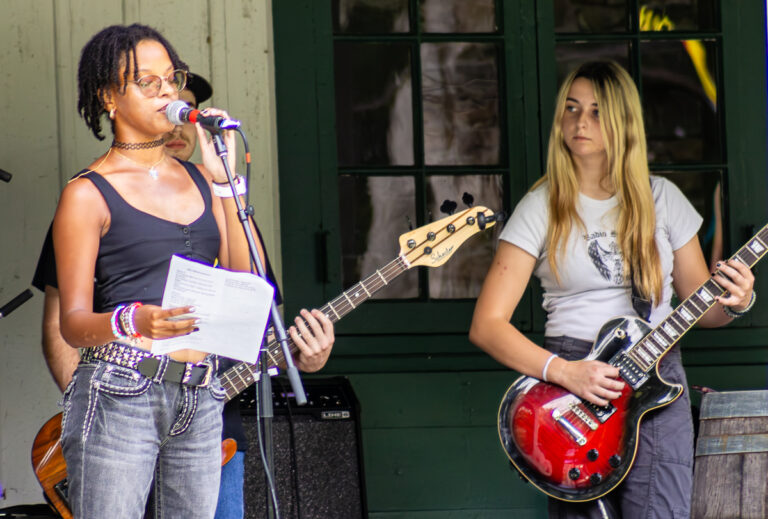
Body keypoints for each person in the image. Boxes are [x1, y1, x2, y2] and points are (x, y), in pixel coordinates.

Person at [49, 23, 334, 519]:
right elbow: (72, 324)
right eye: (147, 82)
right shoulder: (86, 193)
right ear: (109, 98)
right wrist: (133, 320)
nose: (166, 93)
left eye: (171, 79)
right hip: (121, 389)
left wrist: (226, 183)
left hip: (202, 395)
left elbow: (248, 284)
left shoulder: (205, 179)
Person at [469, 61, 755, 519]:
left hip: (657, 376)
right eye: (571, 108)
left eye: (597, 111)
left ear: (624, 121)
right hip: (572, 386)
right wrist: (565, 372)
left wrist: (738, 301)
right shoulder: (540, 206)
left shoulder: (662, 198)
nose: (580, 122)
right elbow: (487, 325)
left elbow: (704, 311)